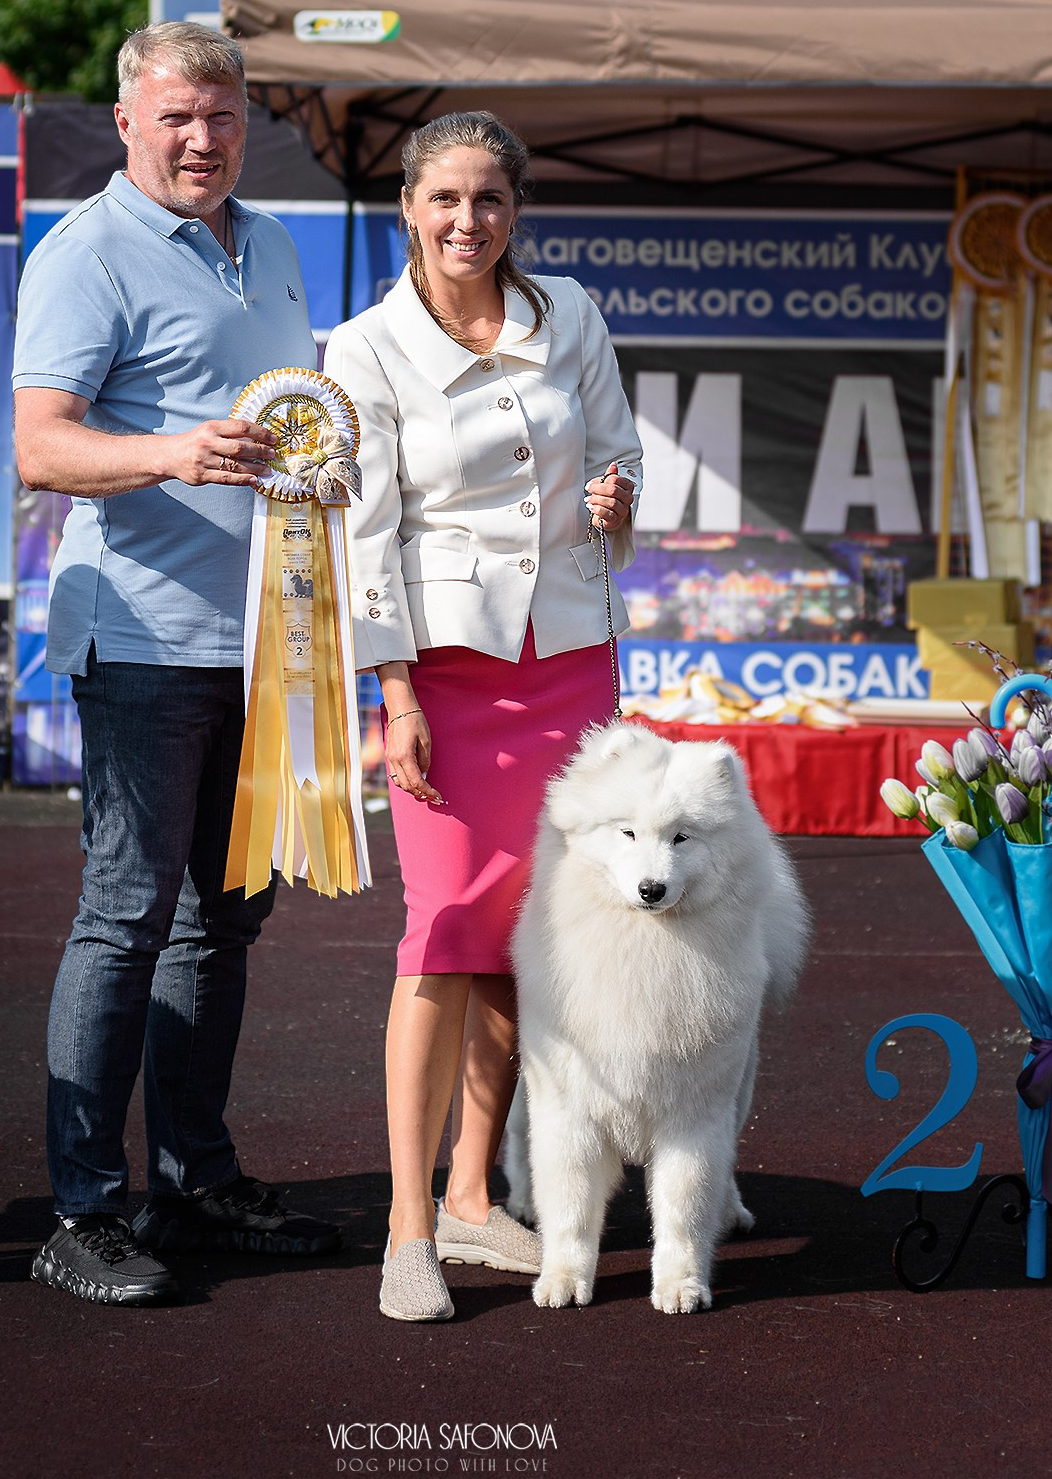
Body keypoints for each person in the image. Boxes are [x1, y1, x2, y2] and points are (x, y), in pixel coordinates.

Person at [12, 21, 340, 1308]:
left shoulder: (273, 242)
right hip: (144, 638)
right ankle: (78, 1211)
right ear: (127, 120)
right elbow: (41, 447)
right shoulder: (83, 251)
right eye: (175, 117)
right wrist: (168, 452)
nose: (201, 138)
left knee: (224, 921)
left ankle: (191, 1182)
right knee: (124, 919)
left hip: (262, 640)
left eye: (220, 114)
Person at [323, 111, 643, 1322]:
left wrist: (612, 500)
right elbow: (365, 537)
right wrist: (393, 693)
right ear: (407, 205)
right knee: (441, 930)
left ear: (518, 210)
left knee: (526, 933)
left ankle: (472, 1193)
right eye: (444, 199)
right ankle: (409, 1230)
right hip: (444, 678)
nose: (468, 222)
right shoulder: (361, 349)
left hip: (569, 661)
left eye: (490, 201)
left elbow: (616, 464)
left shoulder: (572, 316)